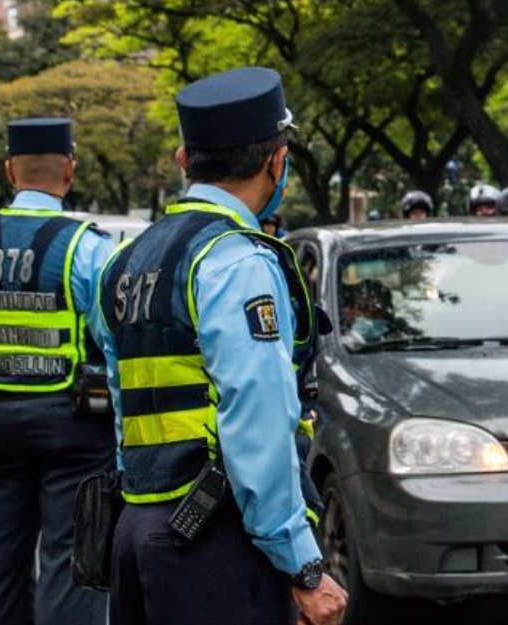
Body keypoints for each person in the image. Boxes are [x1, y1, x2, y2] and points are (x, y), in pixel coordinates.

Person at [94, 67, 346, 625]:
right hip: (215, 540)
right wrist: (302, 565)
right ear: (276, 161)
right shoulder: (237, 260)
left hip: (138, 526)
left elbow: (122, 409)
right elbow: (257, 417)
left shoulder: (125, 262)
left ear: (185, 161)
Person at [0, 117, 116, 625]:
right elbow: (113, 345)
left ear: (10, 171)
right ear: (70, 172)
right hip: (78, 426)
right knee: (72, 561)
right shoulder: (87, 247)